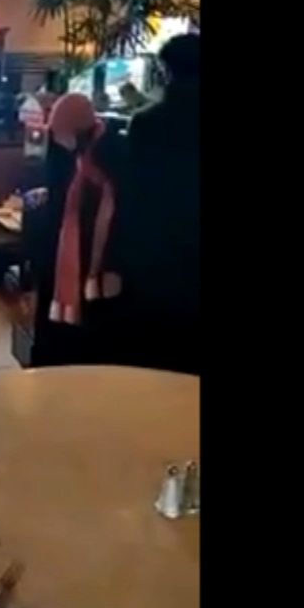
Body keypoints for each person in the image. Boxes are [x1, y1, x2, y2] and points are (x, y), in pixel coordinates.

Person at [115, 33, 200, 373]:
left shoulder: (147, 123)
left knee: (157, 352)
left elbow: (135, 189)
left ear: (166, 71)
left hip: (159, 246)